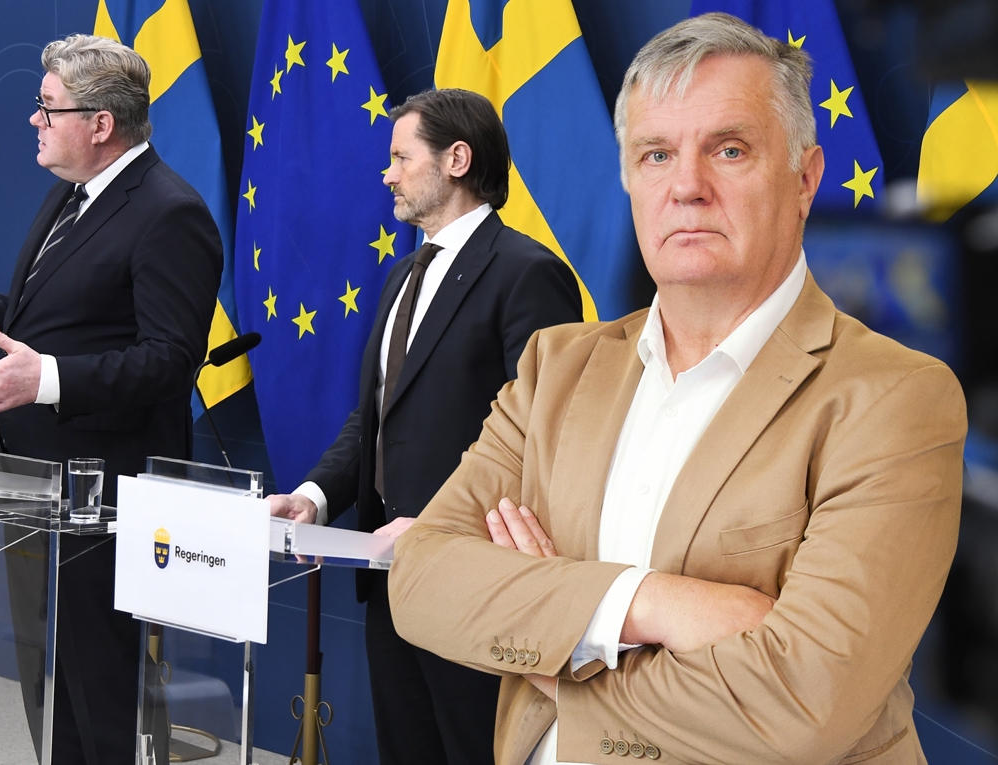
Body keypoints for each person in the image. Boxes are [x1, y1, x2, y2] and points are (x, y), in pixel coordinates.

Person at [388, 13, 965, 765]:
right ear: (629, 178)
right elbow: (421, 581)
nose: (687, 187)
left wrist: (556, 639)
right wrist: (646, 603)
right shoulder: (556, 367)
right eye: (656, 154)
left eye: (729, 149)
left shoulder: (894, 399)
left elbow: (805, 701)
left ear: (805, 179)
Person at [0, 34, 222, 764]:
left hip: (109, 490)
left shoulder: (169, 212)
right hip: (43, 485)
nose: (34, 119)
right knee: (66, 700)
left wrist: (47, 380)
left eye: (48, 106)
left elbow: (170, 360)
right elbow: (33, 318)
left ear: (100, 124)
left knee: (103, 694)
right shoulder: (72, 194)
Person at [268, 88, 584, 765]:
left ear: (456, 160)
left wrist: (444, 525)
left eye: (401, 158)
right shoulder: (399, 278)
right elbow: (377, 417)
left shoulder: (528, 274)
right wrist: (315, 496)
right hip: (389, 577)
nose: (387, 174)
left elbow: (545, 436)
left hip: (475, 580)